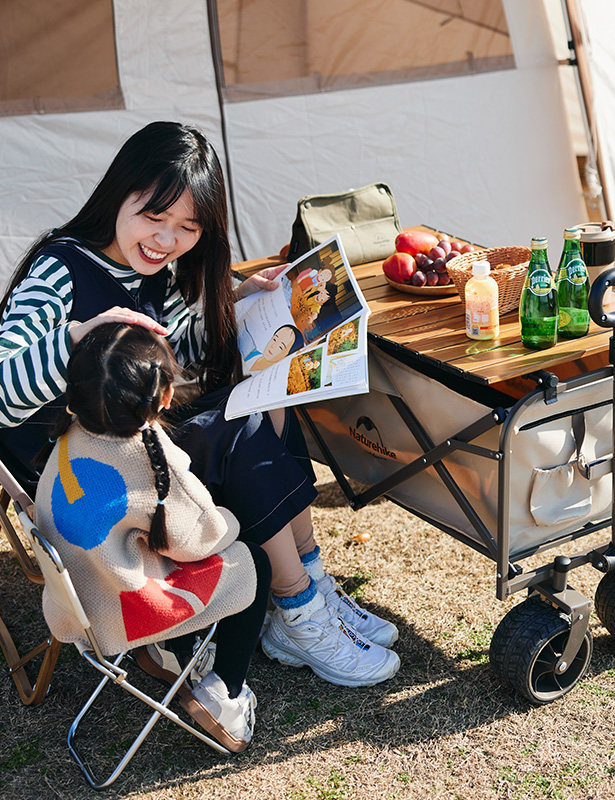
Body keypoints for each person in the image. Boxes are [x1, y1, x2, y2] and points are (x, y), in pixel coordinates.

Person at [0, 120, 399, 688]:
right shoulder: (60, 267)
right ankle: (298, 606)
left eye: (187, 228)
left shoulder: (158, 273)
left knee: (265, 400)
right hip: (75, 471)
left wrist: (238, 304)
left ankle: (307, 584)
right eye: (153, 217)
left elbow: (176, 357)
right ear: (118, 195)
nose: (166, 241)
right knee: (236, 430)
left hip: (135, 441)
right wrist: (76, 336)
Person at [35, 323, 268, 751]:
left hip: (80, 600)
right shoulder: (147, 456)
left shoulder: (69, 431)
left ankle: (178, 648)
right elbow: (199, 538)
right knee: (252, 560)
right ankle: (225, 695)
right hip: (122, 608)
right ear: (164, 397)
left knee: (155, 550)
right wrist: (233, 522)